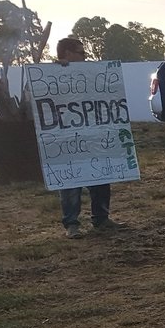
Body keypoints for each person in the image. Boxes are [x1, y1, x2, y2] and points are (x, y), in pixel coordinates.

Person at [54, 37, 115, 239]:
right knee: (71, 184)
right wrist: (57, 70)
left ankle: (101, 218)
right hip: (66, 140)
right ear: (67, 54)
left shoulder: (90, 74)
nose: (85, 56)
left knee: (101, 178)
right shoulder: (49, 75)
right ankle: (71, 224)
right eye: (81, 53)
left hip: (92, 135)